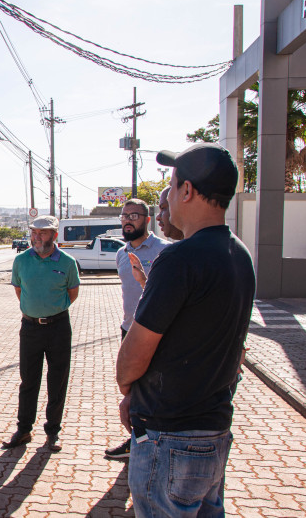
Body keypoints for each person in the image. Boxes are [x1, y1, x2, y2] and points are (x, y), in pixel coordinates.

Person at [117, 143, 255, 517]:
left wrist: (128, 387)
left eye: (173, 183)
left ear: (188, 191)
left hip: (169, 437)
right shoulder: (240, 255)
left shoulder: (178, 259)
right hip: (214, 432)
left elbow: (133, 355)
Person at [2, 215, 80, 451]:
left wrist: (52, 310)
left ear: (54, 235)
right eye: (34, 232)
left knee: (57, 381)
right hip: (30, 328)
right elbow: (19, 289)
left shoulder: (67, 262)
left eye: (43, 232)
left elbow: (72, 292)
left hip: (58, 327)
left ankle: (52, 432)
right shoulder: (22, 260)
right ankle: (24, 430)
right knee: (28, 381)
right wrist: (34, 311)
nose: (36, 237)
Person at [104, 198, 169, 460]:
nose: (128, 220)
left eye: (134, 215)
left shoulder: (165, 251)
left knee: (155, 389)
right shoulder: (121, 253)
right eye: (124, 216)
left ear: (147, 219)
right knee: (132, 390)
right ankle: (136, 441)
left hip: (156, 333)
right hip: (129, 329)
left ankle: (157, 443)